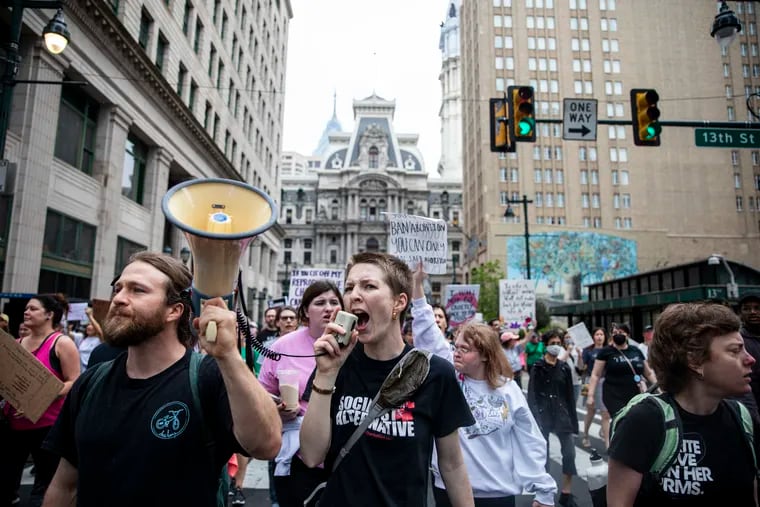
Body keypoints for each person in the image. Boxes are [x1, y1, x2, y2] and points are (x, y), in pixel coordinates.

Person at [41, 251, 281, 506]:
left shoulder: (207, 377)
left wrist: (229, 356)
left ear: (174, 310)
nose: (119, 299)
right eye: (118, 288)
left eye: (137, 290)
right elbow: (64, 487)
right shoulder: (90, 383)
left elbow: (266, 445)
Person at [299, 252, 475, 506]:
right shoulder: (336, 365)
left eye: (369, 286)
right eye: (349, 287)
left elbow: (452, 465)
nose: (354, 295)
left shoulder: (435, 373)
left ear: (399, 302)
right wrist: (326, 374)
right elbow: (312, 455)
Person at [410, 266, 556, 507]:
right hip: (449, 492)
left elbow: (529, 439)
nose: (456, 353)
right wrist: (417, 287)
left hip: (496, 495)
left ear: (486, 355)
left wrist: (543, 489)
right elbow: (428, 333)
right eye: (455, 347)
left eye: (464, 350)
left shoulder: (509, 390)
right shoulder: (450, 377)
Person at [608, 302, 758, 506]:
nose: (749, 359)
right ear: (694, 360)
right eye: (734, 351)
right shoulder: (644, 420)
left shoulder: (741, 417)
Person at [258, 280, 343, 507]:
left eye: (334, 302)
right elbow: (261, 394)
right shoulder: (282, 346)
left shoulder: (353, 345)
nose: (328, 308)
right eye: (320, 302)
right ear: (306, 310)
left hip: (343, 454)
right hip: (298, 456)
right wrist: (278, 409)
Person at [1, 294, 81, 507]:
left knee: (45, 486)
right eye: (26, 308)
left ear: (49, 315)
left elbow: (74, 380)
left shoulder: (61, 343)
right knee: (6, 482)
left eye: (33, 309)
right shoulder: (16, 344)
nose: (27, 312)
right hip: (13, 425)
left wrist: (42, 395)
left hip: (47, 426)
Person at [527, 329, 579, 507]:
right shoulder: (538, 367)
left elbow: (570, 396)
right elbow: (532, 394)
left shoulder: (564, 367)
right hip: (543, 416)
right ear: (545, 345)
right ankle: (544, 493)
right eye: (552, 343)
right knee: (544, 456)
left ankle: (567, 492)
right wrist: (534, 420)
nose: (556, 346)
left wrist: (573, 421)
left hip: (562, 414)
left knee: (570, 453)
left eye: (558, 343)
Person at [587, 328, 657, 428]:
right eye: (615, 333)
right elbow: (596, 374)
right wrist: (590, 395)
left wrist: (659, 388)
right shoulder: (606, 352)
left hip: (635, 394)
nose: (618, 334)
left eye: (621, 332)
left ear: (627, 335)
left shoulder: (636, 350)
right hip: (613, 395)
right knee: (622, 420)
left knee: (636, 421)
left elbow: (649, 373)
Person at [580, 327, 610, 449]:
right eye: (597, 334)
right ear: (593, 337)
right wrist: (579, 356)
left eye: (601, 334)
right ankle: (585, 434)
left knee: (605, 412)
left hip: (604, 382)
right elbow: (582, 367)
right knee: (590, 411)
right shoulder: (588, 351)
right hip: (588, 381)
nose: (599, 337)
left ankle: (608, 442)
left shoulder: (608, 350)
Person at [76, 308, 103, 373]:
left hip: (91, 371)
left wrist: (90, 316)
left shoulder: (99, 340)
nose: (88, 327)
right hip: (80, 372)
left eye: (92, 325)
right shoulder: (82, 338)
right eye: (88, 325)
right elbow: (67, 333)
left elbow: (100, 332)